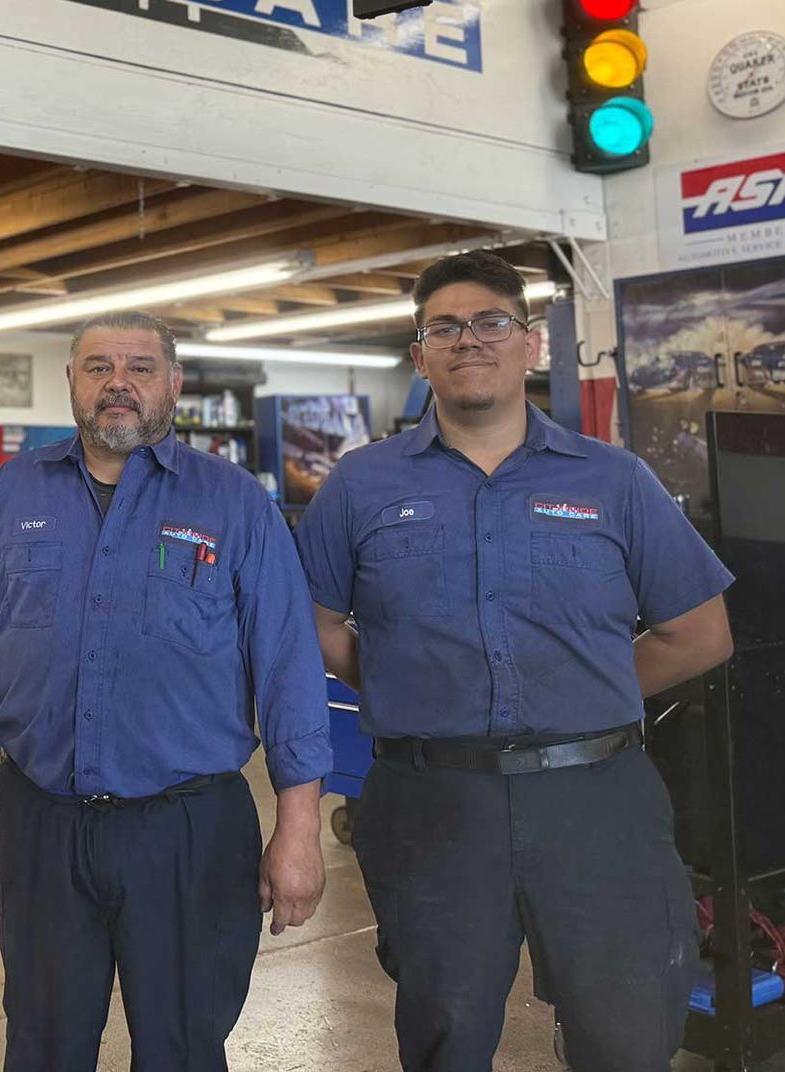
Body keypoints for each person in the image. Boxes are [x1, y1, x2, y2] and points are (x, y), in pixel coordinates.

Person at [297, 250, 735, 1072]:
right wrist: (410, 687)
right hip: (432, 803)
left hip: (597, 800)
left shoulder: (614, 480)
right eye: (445, 327)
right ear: (419, 352)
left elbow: (700, 632)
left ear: (530, 344)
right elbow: (314, 623)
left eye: (492, 321)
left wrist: (580, 698)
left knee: (627, 1032)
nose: (470, 340)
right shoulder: (359, 486)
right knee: (445, 1034)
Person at [0, 311, 331, 1072]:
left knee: (182, 1046)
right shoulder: (12, 495)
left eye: (140, 366)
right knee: (42, 1044)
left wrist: (298, 828)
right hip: (44, 822)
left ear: (173, 383)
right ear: (72, 382)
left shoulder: (234, 503)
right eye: (98, 366)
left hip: (187, 831)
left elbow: (289, 670)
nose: (118, 382)